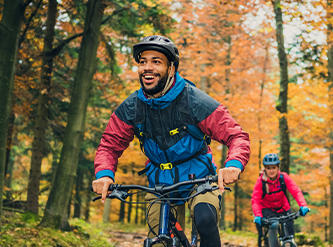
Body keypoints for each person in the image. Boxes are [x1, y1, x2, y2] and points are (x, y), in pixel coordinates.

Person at [91, 35, 251, 247]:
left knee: (205, 220)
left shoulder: (193, 100)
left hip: (199, 180)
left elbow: (236, 136)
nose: (147, 67)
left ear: (172, 68)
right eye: (142, 62)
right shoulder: (132, 107)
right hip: (160, 184)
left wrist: (233, 165)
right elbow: (109, 145)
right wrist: (104, 175)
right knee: (159, 242)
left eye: (156, 61)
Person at [252, 153, 309, 247]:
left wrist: (303, 205)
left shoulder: (284, 177)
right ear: (265, 169)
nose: (271, 170)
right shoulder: (261, 181)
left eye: (273, 167)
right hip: (268, 209)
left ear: (278, 167)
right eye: (268, 168)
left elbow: (295, 191)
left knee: (289, 235)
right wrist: (258, 215)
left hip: (283, 208)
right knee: (274, 225)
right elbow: (255, 199)